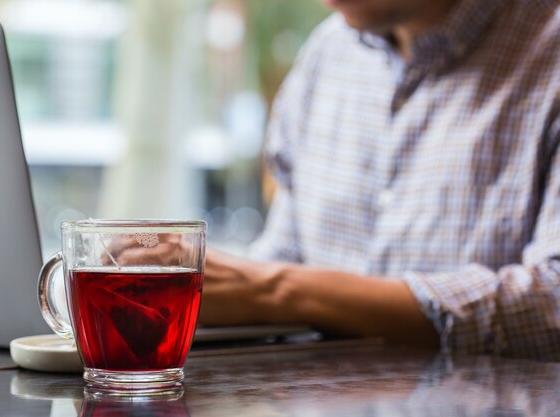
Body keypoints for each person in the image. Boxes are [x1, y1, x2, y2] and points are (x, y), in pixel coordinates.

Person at [197, 0, 560, 360]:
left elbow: (552, 303)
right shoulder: (327, 54)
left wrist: (274, 292)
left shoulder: (549, 51)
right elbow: (286, 256)